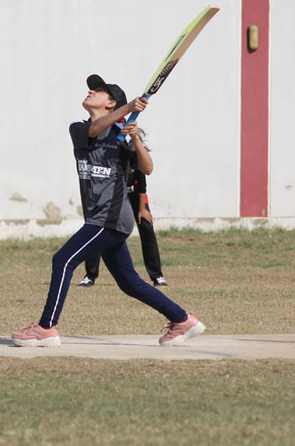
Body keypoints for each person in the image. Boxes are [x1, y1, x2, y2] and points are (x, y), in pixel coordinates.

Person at [11, 74, 204, 347]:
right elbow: (93, 131)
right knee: (128, 281)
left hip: (111, 217)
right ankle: (183, 320)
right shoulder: (79, 129)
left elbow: (146, 168)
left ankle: (46, 327)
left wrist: (135, 139)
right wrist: (128, 110)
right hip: (101, 217)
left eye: (98, 90)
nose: (90, 91)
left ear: (111, 103)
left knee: (63, 260)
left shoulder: (122, 137)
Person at [79, 140, 168, 288]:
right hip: (113, 196)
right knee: (95, 227)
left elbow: (141, 186)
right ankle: (90, 275)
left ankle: (157, 276)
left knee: (146, 226)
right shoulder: (112, 159)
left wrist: (142, 209)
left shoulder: (136, 159)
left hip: (135, 196)